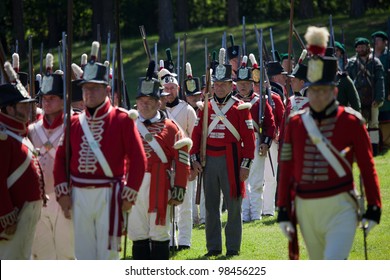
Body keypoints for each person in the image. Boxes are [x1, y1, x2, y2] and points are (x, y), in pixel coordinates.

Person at [277, 26, 382, 260]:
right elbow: (286, 168)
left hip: (340, 205)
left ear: (334, 91)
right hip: (306, 207)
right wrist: (283, 208)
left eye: (324, 91)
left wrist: (374, 206)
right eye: (313, 90)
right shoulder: (295, 123)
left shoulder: (352, 121)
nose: (318, 96)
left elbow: (367, 166)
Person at [53, 41, 146, 260]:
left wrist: (129, 194)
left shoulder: (122, 120)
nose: (89, 93)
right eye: (85, 88)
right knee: (82, 254)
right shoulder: (75, 123)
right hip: (79, 194)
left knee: (107, 254)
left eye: (94, 88)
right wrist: (63, 192)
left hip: (109, 194)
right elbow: (61, 158)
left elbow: (138, 159)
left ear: (106, 89)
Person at [191, 48, 255, 257]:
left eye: (223, 84)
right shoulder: (205, 107)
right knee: (211, 207)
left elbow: (249, 140)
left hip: (232, 160)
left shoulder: (240, 108)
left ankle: (233, 246)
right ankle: (213, 247)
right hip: (209, 159)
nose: (219, 88)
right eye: (216, 84)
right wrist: (194, 158)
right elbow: (197, 134)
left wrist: (245, 165)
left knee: (234, 205)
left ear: (231, 85)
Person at [128, 61, 191, 260]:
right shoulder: (127, 125)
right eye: (141, 100)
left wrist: (179, 188)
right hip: (133, 186)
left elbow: (182, 158)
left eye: (150, 100)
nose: (144, 104)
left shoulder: (171, 128)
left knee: (159, 233)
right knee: (137, 233)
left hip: (160, 184)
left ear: (159, 102)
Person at [29, 55, 75, 260]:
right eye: (43, 98)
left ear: (63, 99)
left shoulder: (75, 126)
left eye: (52, 98)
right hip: (38, 201)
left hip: (66, 198)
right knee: (41, 255)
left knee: (67, 254)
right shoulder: (31, 130)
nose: (46, 102)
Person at [0, 62, 45, 259]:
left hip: (26, 212)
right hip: (13, 216)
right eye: (23, 105)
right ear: (9, 108)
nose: (29, 109)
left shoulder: (18, 133)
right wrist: (5, 214)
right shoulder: (4, 138)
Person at [159, 62, 197, 251]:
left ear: (178, 89)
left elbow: (194, 137)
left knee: (185, 203)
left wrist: (195, 162)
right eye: (166, 88)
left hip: (184, 161)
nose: (170, 91)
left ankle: (184, 240)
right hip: (165, 162)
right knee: (167, 203)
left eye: (172, 88)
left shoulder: (187, 109)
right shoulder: (158, 112)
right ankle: (170, 239)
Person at [235, 55, 275, 222]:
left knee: (257, 180)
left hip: (256, 141)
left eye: (246, 84)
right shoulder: (232, 102)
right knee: (241, 180)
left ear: (252, 84)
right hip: (237, 144)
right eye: (240, 84)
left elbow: (270, 124)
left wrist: (265, 143)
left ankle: (256, 214)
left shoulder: (259, 101)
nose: (243, 87)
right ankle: (244, 215)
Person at [346, 37, 385, 156]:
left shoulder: (376, 62)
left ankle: (374, 150)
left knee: (373, 126)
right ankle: (359, 150)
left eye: (363, 46)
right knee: (358, 126)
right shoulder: (352, 63)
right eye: (359, 46)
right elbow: (348, 81)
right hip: (357, 100)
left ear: (368, 47)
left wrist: (378, 98)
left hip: (372, 99)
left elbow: (380, 81)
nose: (361, 48)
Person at [371, 31, 390, 149]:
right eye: (375, 40)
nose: (376, 42)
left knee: (386, 120)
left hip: (387, 94)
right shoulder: (370, 56)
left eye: (378, 40)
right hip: (372, 94)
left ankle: (387, 144)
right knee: (373, 122)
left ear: (385, 42)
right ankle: (375, 144)